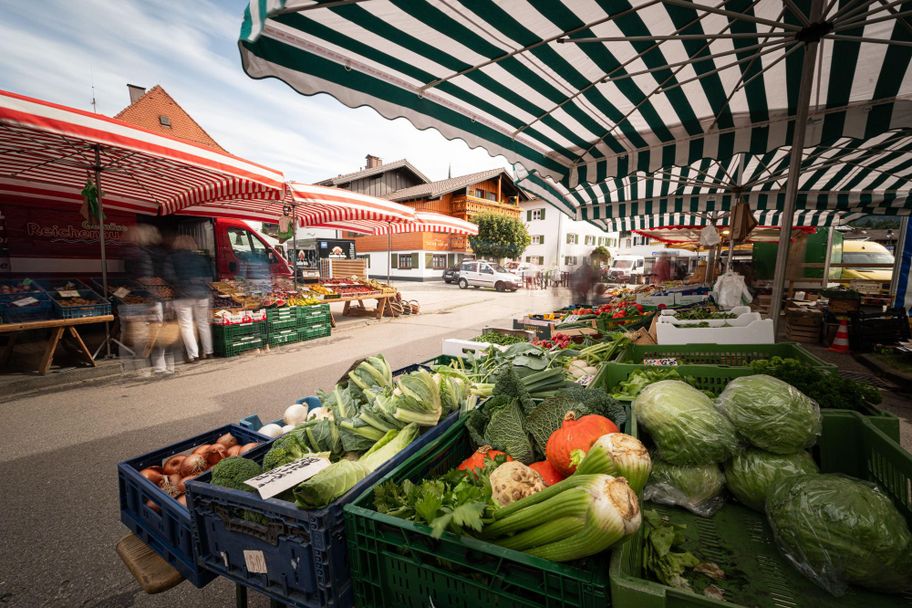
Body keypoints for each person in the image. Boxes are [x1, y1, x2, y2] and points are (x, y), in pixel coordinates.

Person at [123, 224, 174, 375]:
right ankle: (161, 365)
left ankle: (146, 366)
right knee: (157, 330)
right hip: (153, 296)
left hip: (142, 296)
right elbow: (157, 277)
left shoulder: (138, 253)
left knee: (142, 332)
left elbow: (138, 276)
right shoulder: (155, 253)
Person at [166, 235, 213, 362]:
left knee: (186, 325)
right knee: (203, 323)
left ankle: (193, 355)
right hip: (202, 294)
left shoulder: (172, 258)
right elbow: (210, 277)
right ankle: (208, 352)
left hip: (183, 295)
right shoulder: (201, 258)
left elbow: (169, 277)